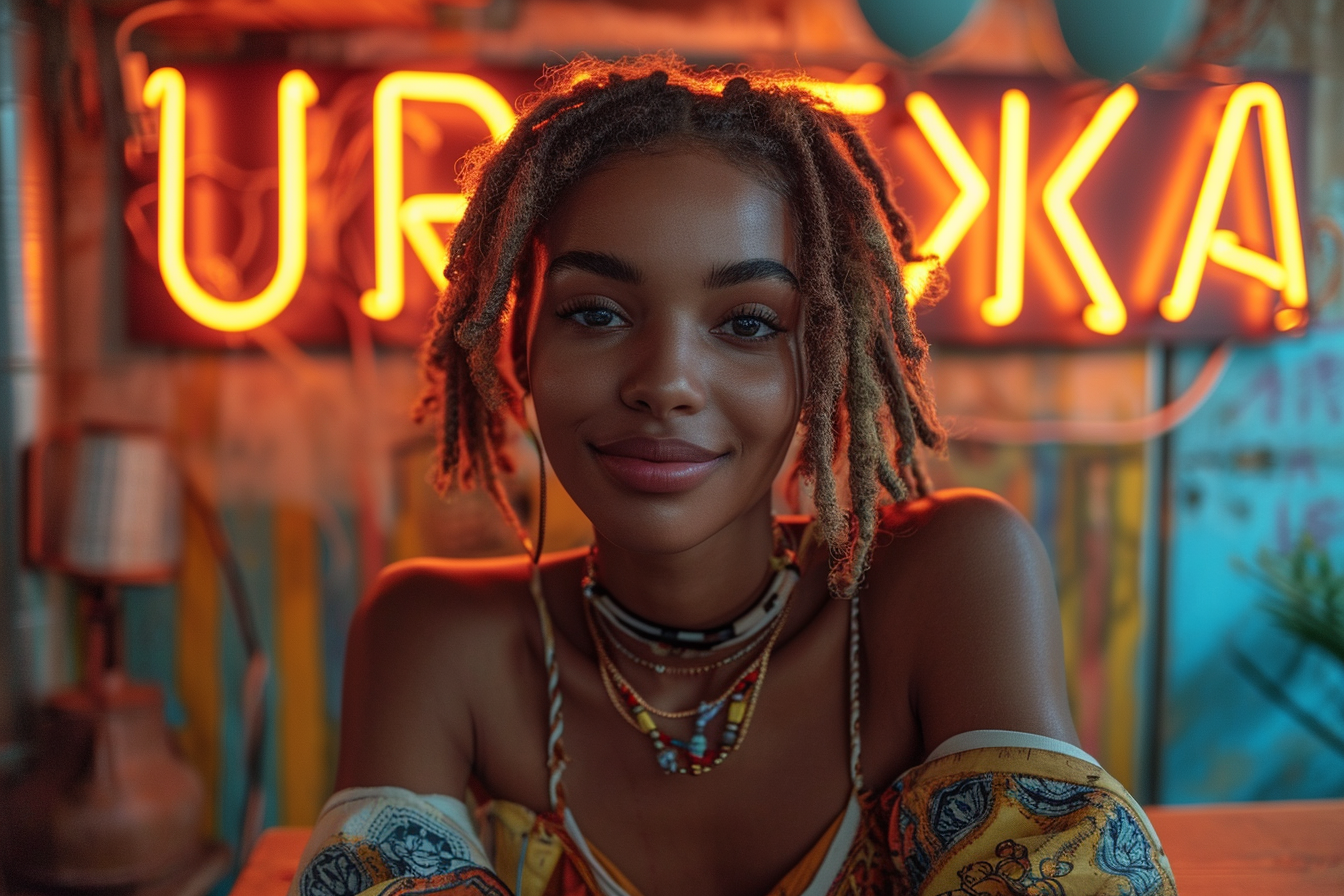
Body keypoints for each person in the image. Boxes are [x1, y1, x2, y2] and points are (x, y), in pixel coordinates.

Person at [291, 56, 1177, 896]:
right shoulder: (437, 640)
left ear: (823, 358)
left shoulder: (944, 580)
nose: (666, 383)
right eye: (595, 312)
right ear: (518, 344)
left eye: (748, 323)